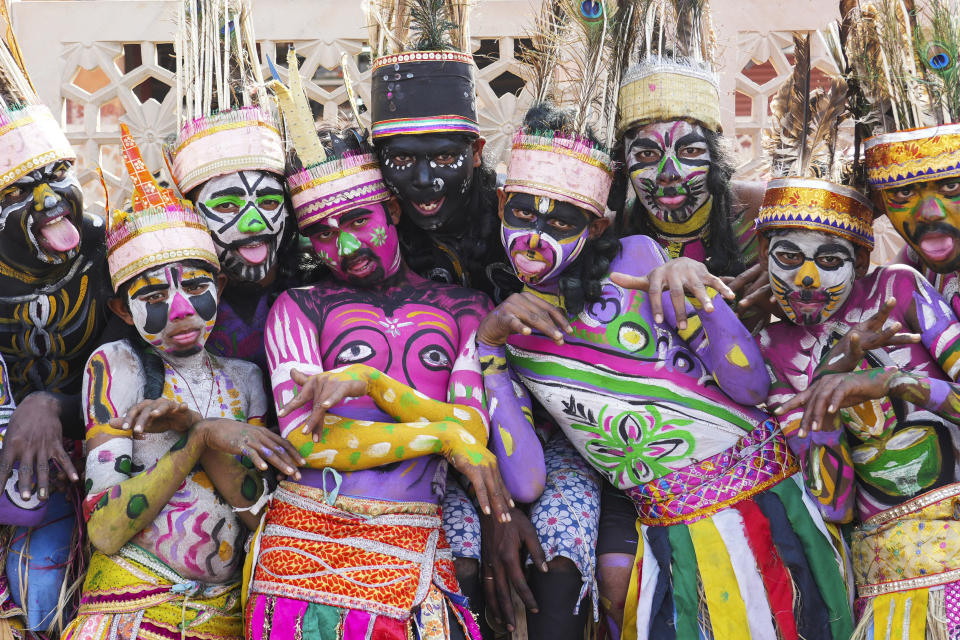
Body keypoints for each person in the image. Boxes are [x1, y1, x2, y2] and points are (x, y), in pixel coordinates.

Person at [478, 97, 853, 640]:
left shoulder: (637, 258)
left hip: (772, 506)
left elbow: (749, 385)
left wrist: (697, 292)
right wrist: (491, 355)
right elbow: (529, 482)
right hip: (668, 530)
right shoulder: (507, 336)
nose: (535, 237)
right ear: (500, 206)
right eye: (522, 215)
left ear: (597, 224)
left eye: (560, 221)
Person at [243, 53, 511, 640]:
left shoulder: (466, 309)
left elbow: (474, 428)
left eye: (357, 219)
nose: (342, 245)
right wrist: (435, 432)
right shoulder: (302, 306)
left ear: (391, 209)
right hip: (304, 547)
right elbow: (304, 443)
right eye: (320, 233)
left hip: (412, 547)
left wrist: (373, 384)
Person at [62, 125, 300, 640]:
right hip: (132, 614)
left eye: (195, 286)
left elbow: (263, 523)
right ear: (122, 310)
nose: (180, 310)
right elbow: (105, 528)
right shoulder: (116, 366)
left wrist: (200, 427)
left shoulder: (246, 379)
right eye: (152, 296)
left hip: (224, 619)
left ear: (219, 284)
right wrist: (198, 439)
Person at [0, 5, 111, 633]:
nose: (49, 199)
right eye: (17, 192)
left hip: (90, 463)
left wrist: (51, 403)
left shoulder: (101, 252)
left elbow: (137, 366)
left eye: (54, 177)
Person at [166, 0, 294, 374]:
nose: (255, 225)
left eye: (269, 201)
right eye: (224, 206)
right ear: (191, 212)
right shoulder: (170, 300)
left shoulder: (314, 285)